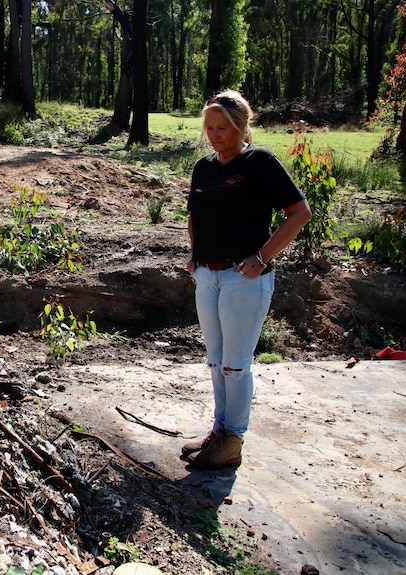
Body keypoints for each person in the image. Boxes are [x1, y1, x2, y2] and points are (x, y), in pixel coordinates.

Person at [183, 89, 312, 470]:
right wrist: (194, 253)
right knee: (215, 361)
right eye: (210, 127)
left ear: (241, 127)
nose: (215, 135)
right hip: (208, 275)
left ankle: (232, 440)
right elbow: (195, 214)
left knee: (236, 365)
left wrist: (262, 257)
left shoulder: (260, 162)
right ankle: (219, 431)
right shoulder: (204, 167)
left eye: (223, 127)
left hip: (244, 278)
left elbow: (299, 212)